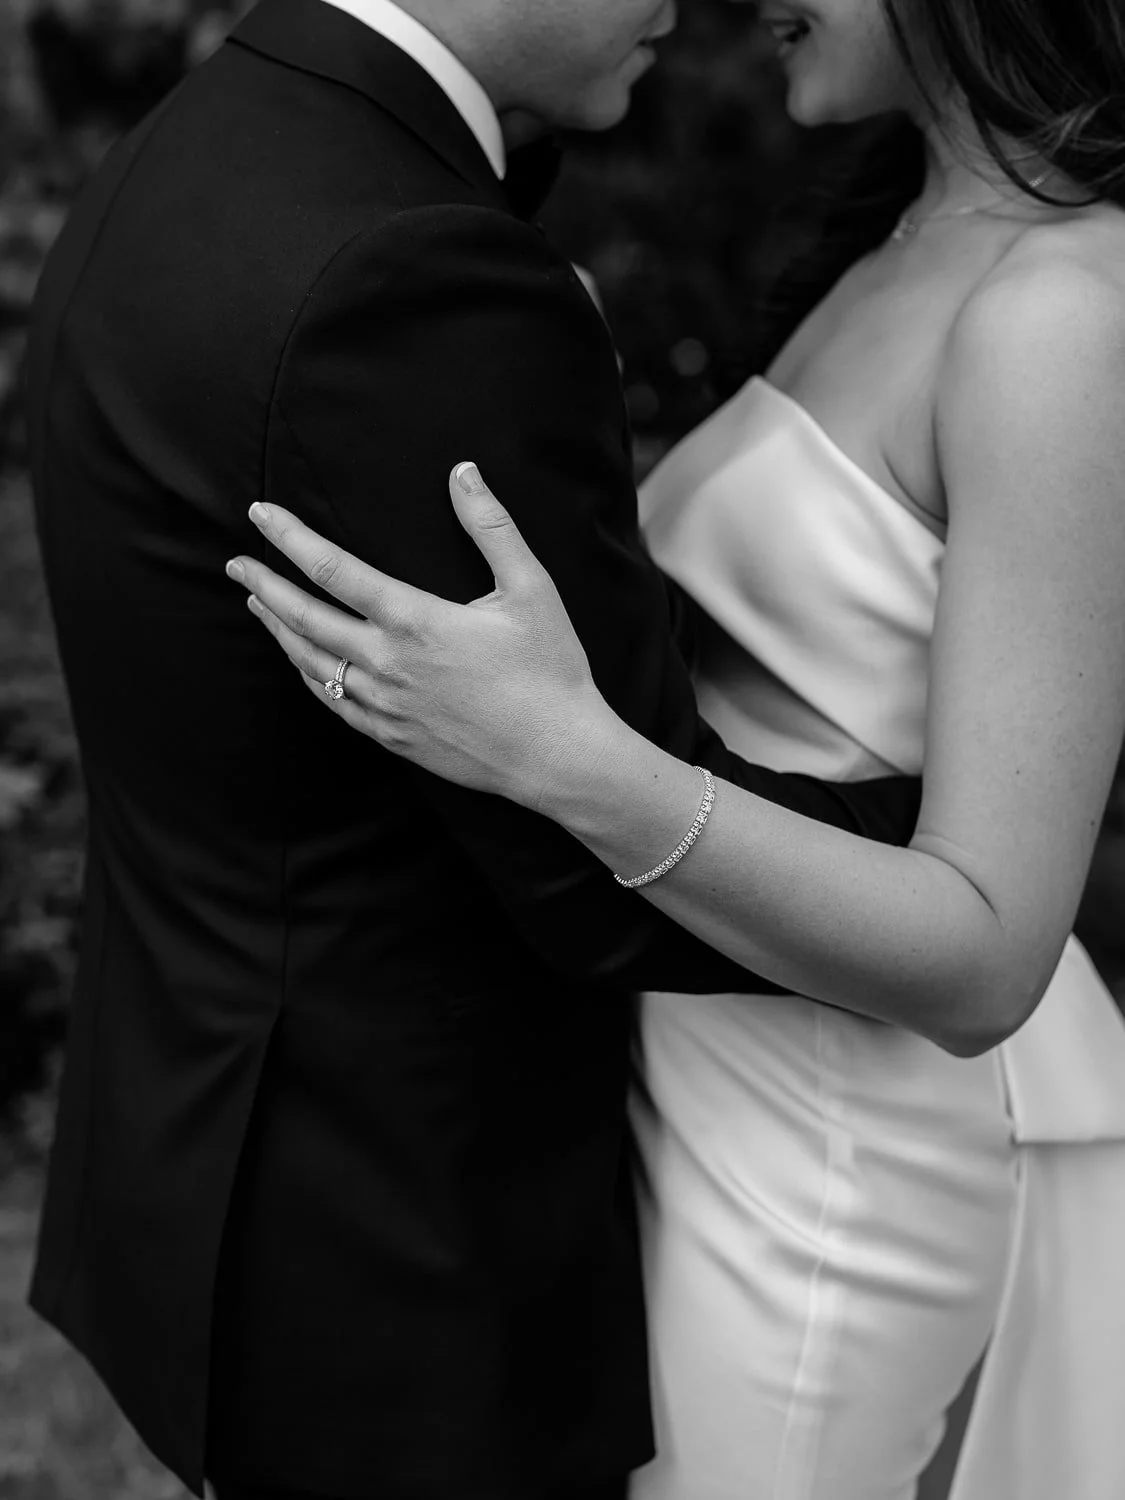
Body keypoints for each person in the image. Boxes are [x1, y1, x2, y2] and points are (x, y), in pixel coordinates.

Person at [23, 2, 932, 1498]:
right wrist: (981, 842)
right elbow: (595, 872)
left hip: (220, 1174)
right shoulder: (419, 274)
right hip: (406, 1272)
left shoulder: (204, 142)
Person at [226, 1, 1125, 1497]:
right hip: (708, 1070)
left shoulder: (1061, 315)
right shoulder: (902, 235)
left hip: (845, 1150)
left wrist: (562, 756)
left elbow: (987, 956)